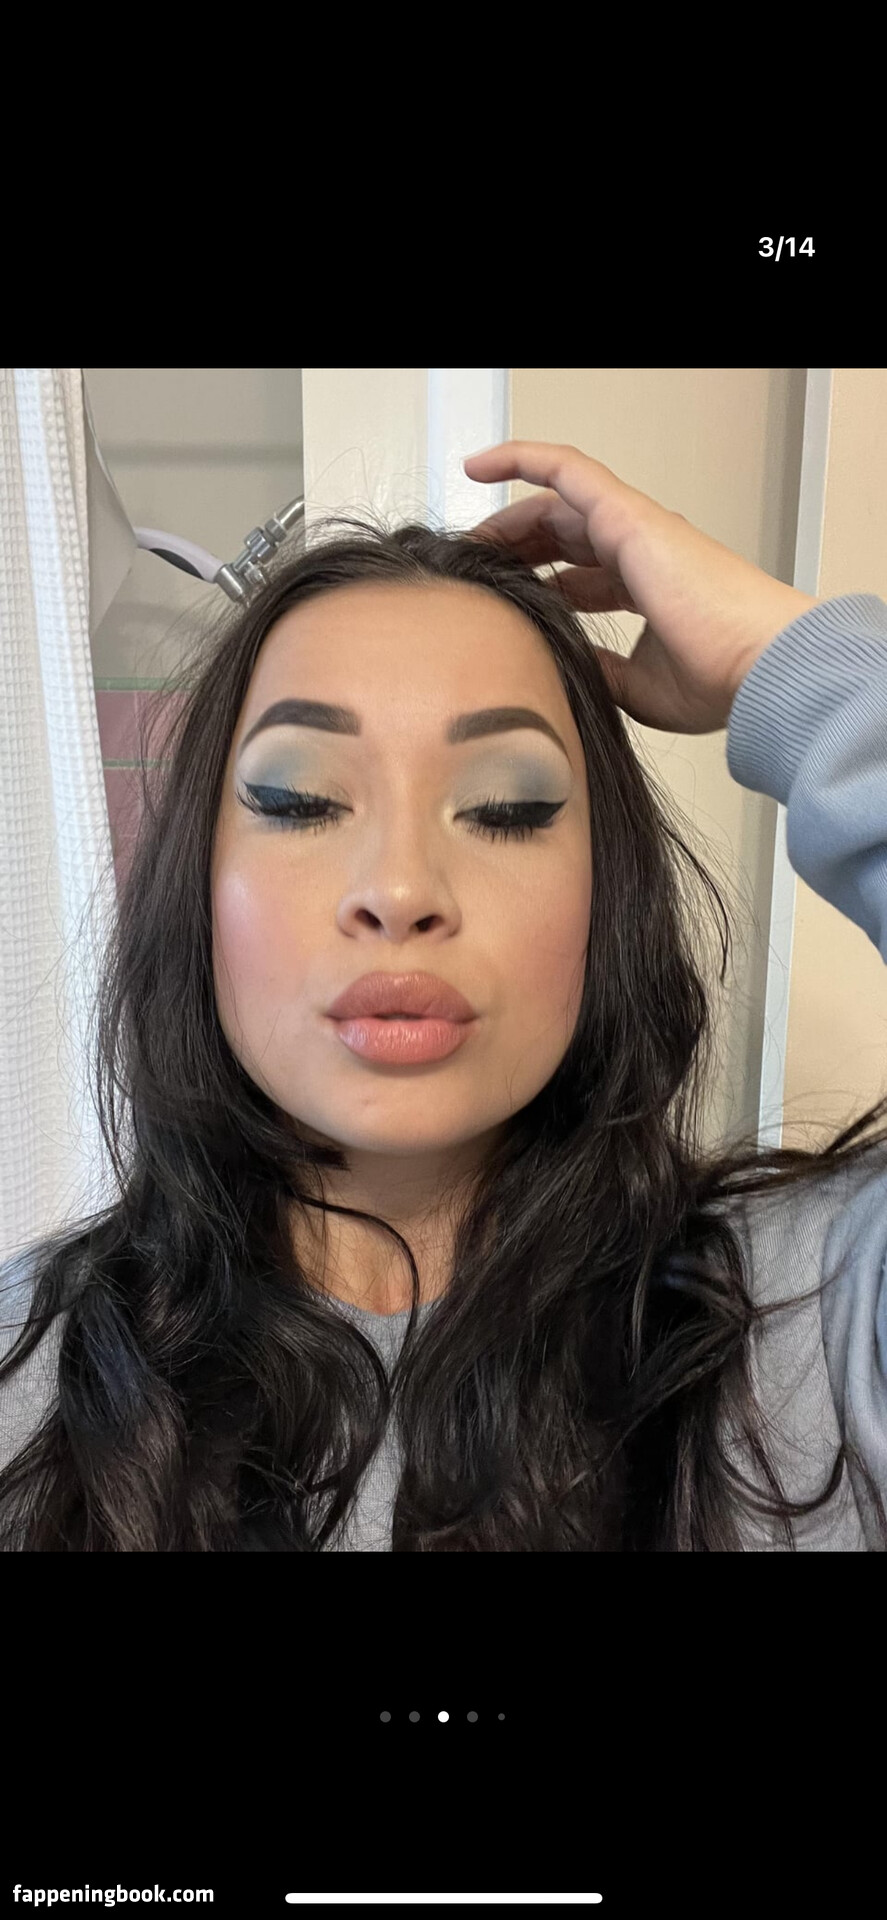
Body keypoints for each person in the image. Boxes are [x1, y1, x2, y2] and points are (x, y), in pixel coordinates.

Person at [1, 439, 886, 1552]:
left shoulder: (819, 1320)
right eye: (300, 799)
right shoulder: (27, 1381)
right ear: (198, 889)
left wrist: (781, 661)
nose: (400, 890)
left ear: (605, 894)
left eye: (506, 807)